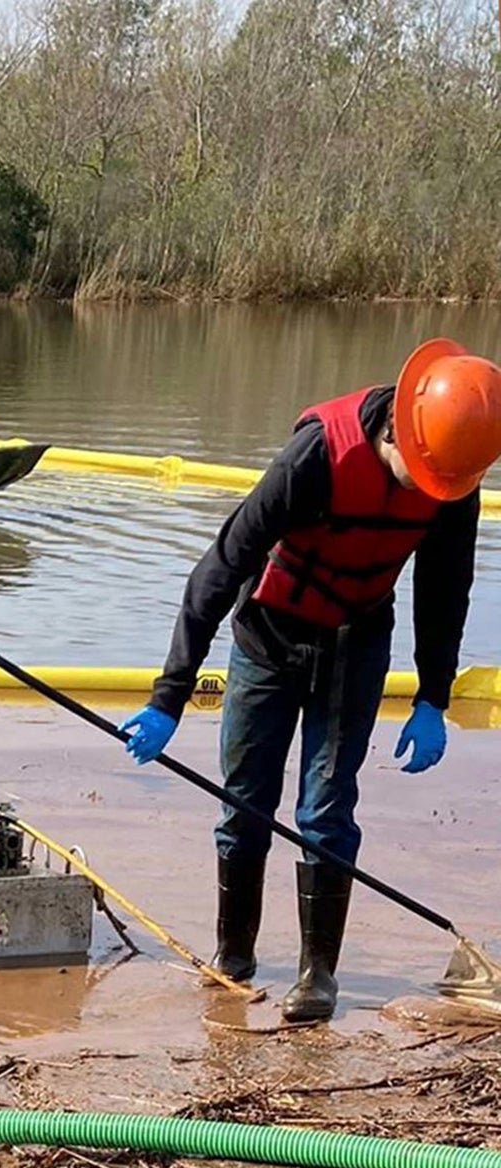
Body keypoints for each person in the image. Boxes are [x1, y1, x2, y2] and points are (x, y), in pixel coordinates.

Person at [122, 338, 501, 1023]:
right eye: (419, 473)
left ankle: (317, 976)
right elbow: (221, 565)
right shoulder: (315, 457)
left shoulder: (454, 477)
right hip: (269, 635)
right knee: (244, 806)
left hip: (355, 644)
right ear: (396, 432)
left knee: (327, 812)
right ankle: (232, 955)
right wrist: (168, 697)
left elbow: (446, 590)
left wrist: (434, 697)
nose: (425, 489)